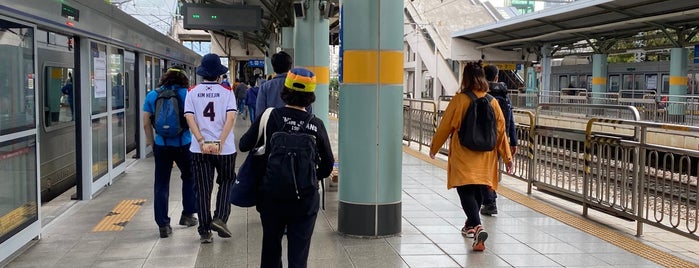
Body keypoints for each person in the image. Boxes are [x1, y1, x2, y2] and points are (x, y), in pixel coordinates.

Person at [239, 68, 334, 268]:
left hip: (271, 196)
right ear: (311, 96)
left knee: (271, 247)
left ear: (285, 90)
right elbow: (327, 166)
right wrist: (306, 174)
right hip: (305, 198)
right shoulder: (316, 125)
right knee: (299, 254)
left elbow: (244, 144)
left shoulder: (270, 116)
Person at [429, 61, 513, 252]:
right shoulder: (493, 101)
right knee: (476, 189)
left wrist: (435, 147)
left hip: (463, 154)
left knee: (465, 190)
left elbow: (445, 126)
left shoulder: (460, 100)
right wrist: (507, 157)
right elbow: (501, 133)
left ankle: (477, 226)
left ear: (465, 79)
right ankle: (470, 227)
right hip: (485, 157)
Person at [184, 53, 238, 244]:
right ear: (218, 75)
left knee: (203, 188)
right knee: (227, 180)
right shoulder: (227, 92)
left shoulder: (192, 92)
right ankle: (220, 218)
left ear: (202, 74)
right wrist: (221, 142)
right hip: (225, 149)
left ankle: (205, 231)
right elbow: (231, 118)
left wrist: (200, 140)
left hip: (199, 149)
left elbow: (189, 117)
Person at [142, 67, 198, 238]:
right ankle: (188, 215)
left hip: (161, 145)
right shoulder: (187, 94)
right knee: (189, 178)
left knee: (161, 183)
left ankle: (163, 225)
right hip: (184, 144)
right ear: (183, 78)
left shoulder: (153, 95)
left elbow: (145, 123)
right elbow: (193, 120)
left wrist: (152, 143)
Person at [481, 65, 518, 216]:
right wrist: (513, 141)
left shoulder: (482, 94)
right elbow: (510, 120)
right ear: (496, 77)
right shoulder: (504, 96)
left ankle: (490, 201)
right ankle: (490, 199)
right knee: (491, 169)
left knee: (484, 170)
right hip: (499, 139)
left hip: (482, 138)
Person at [256, 51, 312, 119]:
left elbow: (260, 113)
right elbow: (308, 111)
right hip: (296, 127)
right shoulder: (298, 84)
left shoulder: (265, 87)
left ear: (273, 67)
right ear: (290, 66)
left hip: (272, 127)